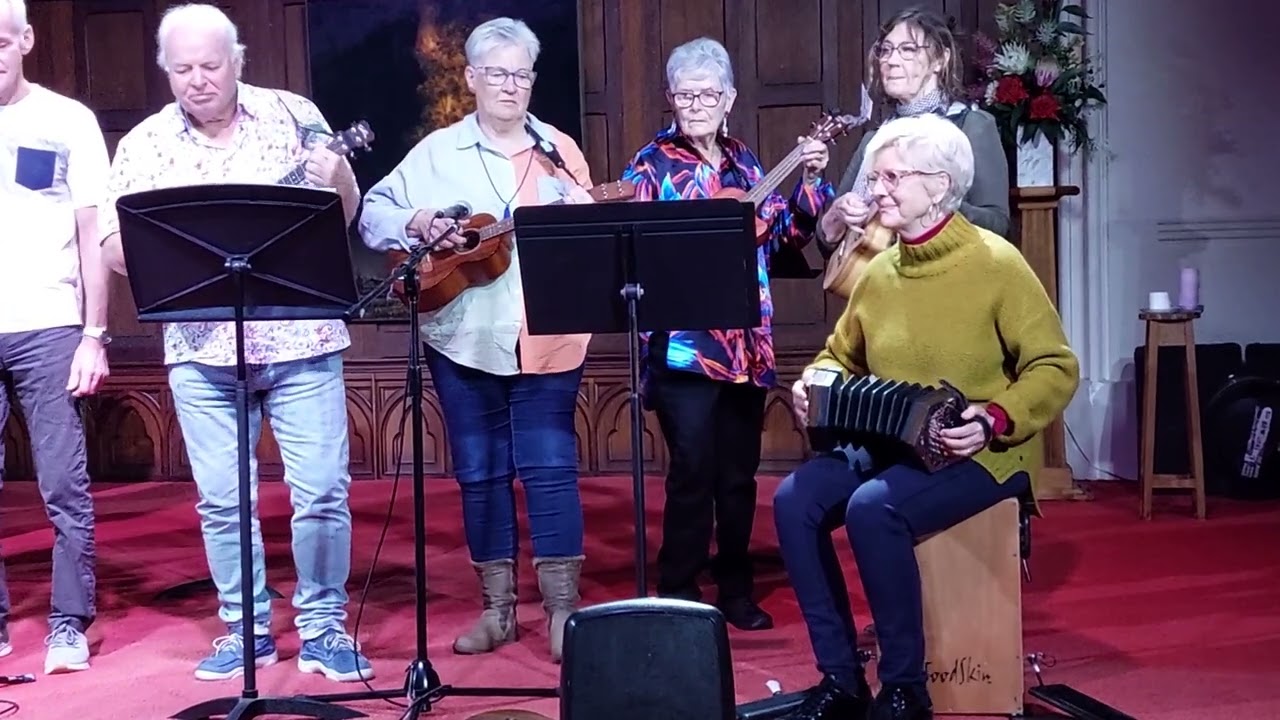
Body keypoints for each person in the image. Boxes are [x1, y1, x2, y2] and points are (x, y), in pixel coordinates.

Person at [98, 3, 372, 683]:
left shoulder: (293, 115)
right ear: (166, 71)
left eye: (211, 65)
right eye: (183, 68)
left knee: (322, 493)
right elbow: (110, 243)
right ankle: (244, 629)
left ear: (238, 60)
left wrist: (328, 173)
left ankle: (324, 625)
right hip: (201, 346)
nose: (198, 80)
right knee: (223, 500)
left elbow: (346, 215)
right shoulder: (144, 144)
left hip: (299, 335)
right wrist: (171, 256)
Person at [772, 112, 1079, 720]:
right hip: (895, 444)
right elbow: (839, 354)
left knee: (872, 507)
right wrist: (817, 382)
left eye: (890, 177)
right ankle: (840, 680)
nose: (875, 189)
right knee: (792, 500)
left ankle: (905, 688)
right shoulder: (879, 269)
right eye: (874, 176)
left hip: (984, 449)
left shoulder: (996, 263)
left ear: (938, 185)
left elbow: (1054, 366)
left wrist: (994, 417)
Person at [358, 17, 596, 665]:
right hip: (461, 338)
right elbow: (372, 210)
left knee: (550, 471)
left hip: (548, 337)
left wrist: (583, 220)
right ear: (470, 79)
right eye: (496, 73)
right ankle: (496, 613)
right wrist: (418, 221)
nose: (510, 85)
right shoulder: (437, 152)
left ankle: (562, 614)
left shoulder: (559, 150)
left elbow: (592, 243)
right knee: (480, 474)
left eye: (521, 73)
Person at [619, 37, 832, 631]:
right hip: (684, 348)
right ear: (670, 97)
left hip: (747, 346)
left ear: (730, 98)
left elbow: (789, 235)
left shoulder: (745, 161)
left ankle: (735, 588)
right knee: (692, 472)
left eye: (707, 93)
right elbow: (634, 248)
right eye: (685, 93)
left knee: (739, 475)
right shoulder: (650, 164)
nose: (696, 104)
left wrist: (812, 181)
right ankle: (680, 588)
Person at [0, 0, 108, 676]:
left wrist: (95, 332)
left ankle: (68, 622)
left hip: (48, 324)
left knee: (63, 484)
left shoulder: (68, 120)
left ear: (25, 40)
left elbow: (94, 230)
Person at [818, 7, 1009, 256]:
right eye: (885, 50)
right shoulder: (874, 140)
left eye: (908, 50)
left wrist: (940, 202)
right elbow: (826, 244)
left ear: (940, 60)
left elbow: (998, 226)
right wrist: (836, 216)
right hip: (876, 284)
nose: (891, 60)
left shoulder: (971, 126)